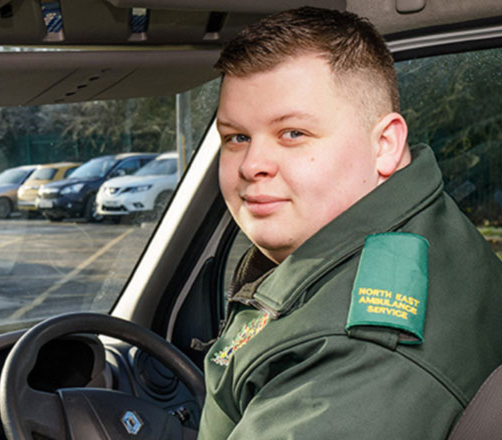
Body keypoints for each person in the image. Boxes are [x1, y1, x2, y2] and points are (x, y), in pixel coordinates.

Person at [198, 6, 502, 439]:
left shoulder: (358, 351)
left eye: (292, 134)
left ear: (385, 145)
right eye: (237, 138)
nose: (252, 165)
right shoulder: (416, 224)